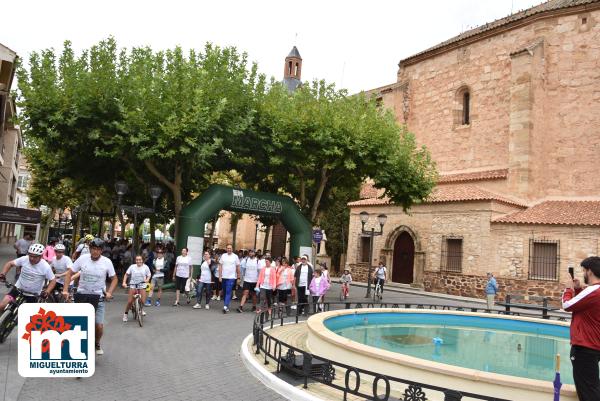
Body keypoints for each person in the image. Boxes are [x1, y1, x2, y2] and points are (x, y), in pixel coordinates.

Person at [63, 238, 118, 356]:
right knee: (78, 323)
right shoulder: (83, 259)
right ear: (90, 249)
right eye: (93, 249)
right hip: (82, 295)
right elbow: (69, 273)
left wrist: (109, 292)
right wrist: (65, 290)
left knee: (99, 325)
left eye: (98, 249)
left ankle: (97, 343)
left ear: (101, 251)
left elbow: (114, 279)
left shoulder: (107, 262)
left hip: (99, 296)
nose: (95, 252)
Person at [562, 256, 600, 400]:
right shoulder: (593, 292)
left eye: (584, 270)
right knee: (593, 386)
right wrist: (578, 290)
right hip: (594, 346)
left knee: (588, 393)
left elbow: (567, 306)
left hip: (585, 349)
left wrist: (568, 289)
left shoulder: (594, 290)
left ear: (589, 271)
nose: (583, 274)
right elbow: (585, 307)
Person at [0, 243, 55, 309]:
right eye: (30, 255)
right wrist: (2, 274)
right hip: (18, 289)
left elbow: (53, 281)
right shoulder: (24, 259)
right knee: (2, 305)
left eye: (35, 257)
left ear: (41, 256)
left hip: (33, 294)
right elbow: (9, 264)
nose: (31, 258)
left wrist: (47, 292)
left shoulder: (45, 266)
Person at [122, 255, 151, 322]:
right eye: (137, 260)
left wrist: (147, 280)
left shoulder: (146, 267)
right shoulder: (132, 267)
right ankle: (125, 314)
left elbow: (149, 275)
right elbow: (126, 274)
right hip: (133, 285)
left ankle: (140, 310)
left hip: (142, 285)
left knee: (143, 301)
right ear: (135, 260)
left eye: (140, 259)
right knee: (129, 302)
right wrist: (124, 282)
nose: (138, 261)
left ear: (142, 260)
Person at [218, 244, 241, 314]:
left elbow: (238, 268)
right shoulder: (223, 256)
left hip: (231, 277)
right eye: (228, 248)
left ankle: (225, 306)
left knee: (228, 291)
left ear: (232, 249)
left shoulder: (235, 257)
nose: (229, 249)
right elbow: (220, 266)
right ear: (226, 249)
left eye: (230, 248)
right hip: (224, 277)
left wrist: (238, 277)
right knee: (224, 292)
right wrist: (220, 276)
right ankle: (227, 305)